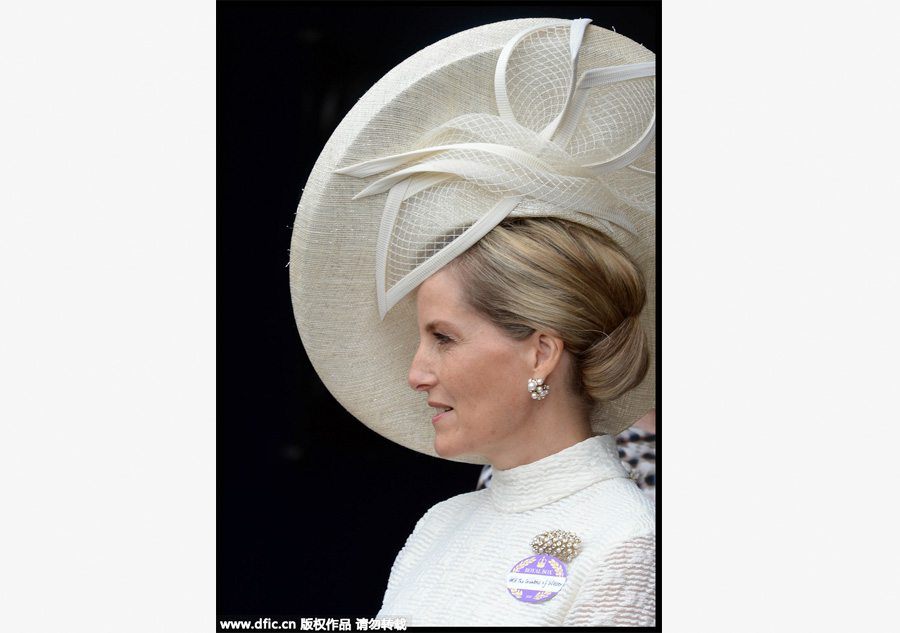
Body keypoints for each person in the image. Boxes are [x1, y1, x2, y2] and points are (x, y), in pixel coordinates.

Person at [290, 17, 656, 626]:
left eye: (443, 337)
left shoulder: (625, 546)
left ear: (541, 352)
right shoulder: (440, 526)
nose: (415, 373)